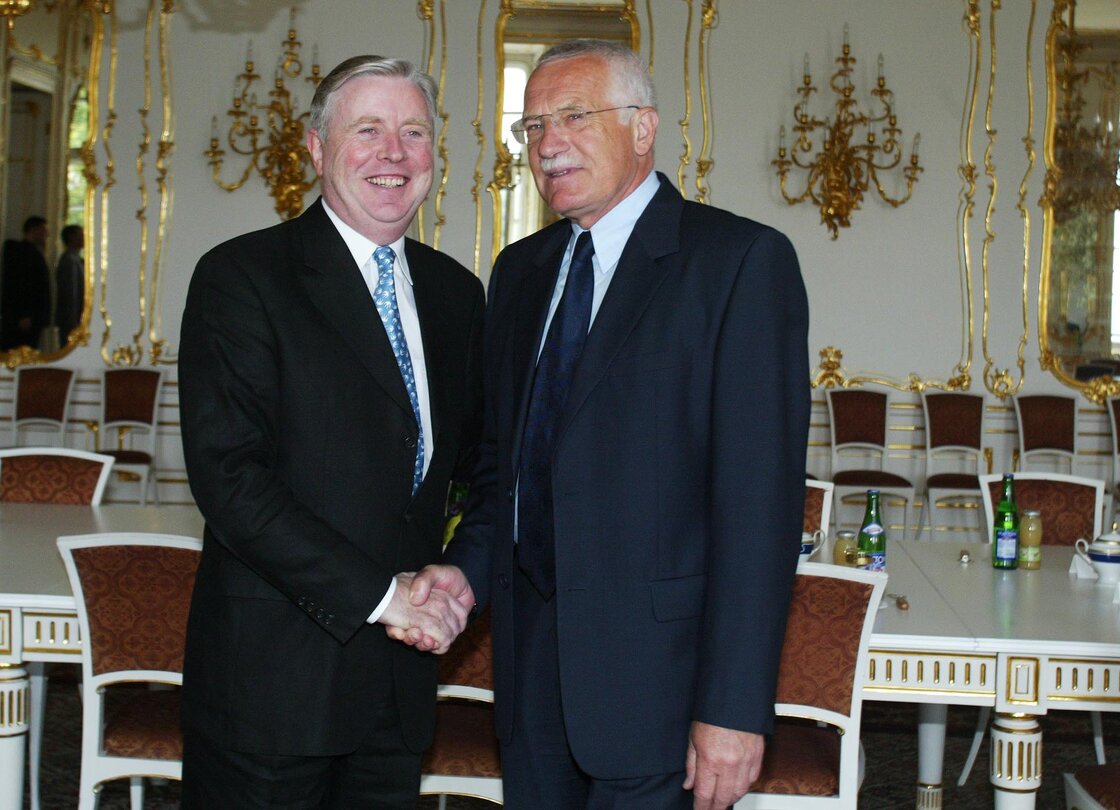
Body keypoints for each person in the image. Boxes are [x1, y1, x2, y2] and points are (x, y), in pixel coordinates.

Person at [405, 39, 811, 809]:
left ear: (644, 127)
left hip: (664, 688)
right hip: (531, 680)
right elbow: (506, 470)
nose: (548, 144)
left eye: (574, 116)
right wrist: (464, 568)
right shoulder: (520, 273)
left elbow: (758, 513)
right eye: (532, 127)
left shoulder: (738, 264)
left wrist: (731, 707)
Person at [177, 55, 484, 809]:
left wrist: (461, 570)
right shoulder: (242, 277)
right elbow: (232, 482)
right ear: (316, 147)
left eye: (414, 133)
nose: (395, 154)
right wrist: (386, 597)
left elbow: (483, 464)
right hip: (272, 694)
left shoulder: (457, 294)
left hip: (400, 691)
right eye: (369, 130)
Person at [1, 215, 50, 349]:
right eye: (44, 230)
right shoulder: (21, 252)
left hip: (33, 315)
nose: (47, 234)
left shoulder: (33, 252)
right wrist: (24, 313)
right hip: (26, 316)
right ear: (33, 230)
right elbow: (21, 284)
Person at [54, 224, 84, 342]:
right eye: (81, 235)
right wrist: (74, 321)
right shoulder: (70, 261)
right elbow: (71, 293)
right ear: (72, 237)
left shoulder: (75, 259)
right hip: (70, 318)